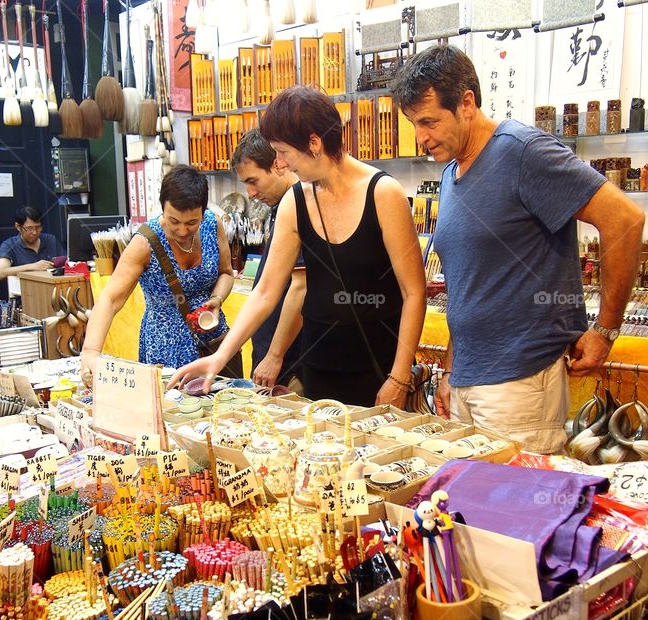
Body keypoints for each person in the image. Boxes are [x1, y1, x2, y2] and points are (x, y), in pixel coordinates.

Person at [392, 46, 644, 453]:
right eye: (414, 125)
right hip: (470, 383)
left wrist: (606, 330)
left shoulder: (522, 151)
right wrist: (453, 372)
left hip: (520, 382)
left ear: (467, 103)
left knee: (515, 507)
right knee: (470, 507)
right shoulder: (451, 174)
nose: (421, 138)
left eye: (429, 121)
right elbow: (467, 284)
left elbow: (625, 219)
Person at [168, 85, 426, 408]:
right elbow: (265, 293)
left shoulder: (384, 193)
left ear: (314, 143)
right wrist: (221, 356)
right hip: (318, 369)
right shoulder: (296, 201)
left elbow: (414, 291)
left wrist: (399, 377)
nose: (280, 163)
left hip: (379, 371)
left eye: (283, 152)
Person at [80, 165, 241, 383]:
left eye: (192, 222)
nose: (183, 230)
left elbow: (226, 273)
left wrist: (216, 299)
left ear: (203, 212)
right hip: (165, 348)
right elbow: (110, 299)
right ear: (162, 208)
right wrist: (90, 351)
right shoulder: (145, 242)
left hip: (212, 340)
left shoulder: (213, 225)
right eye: (174, 221)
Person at [231, 129, 305, 391]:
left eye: (254, 181)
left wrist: (275, 355)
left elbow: (301, 288)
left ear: (278, 164)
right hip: (273, 356)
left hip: (291, 361)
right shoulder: (280, 207)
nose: (250, 193)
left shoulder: (300, 205)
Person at [0, 206, 64, 280]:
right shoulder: (9, 245)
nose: (34, 232)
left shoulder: (50, 240)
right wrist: (33, 266)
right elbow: (1, 273)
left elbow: (67, 262)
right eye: (29, 228)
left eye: (38, 227)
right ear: (18, 227)